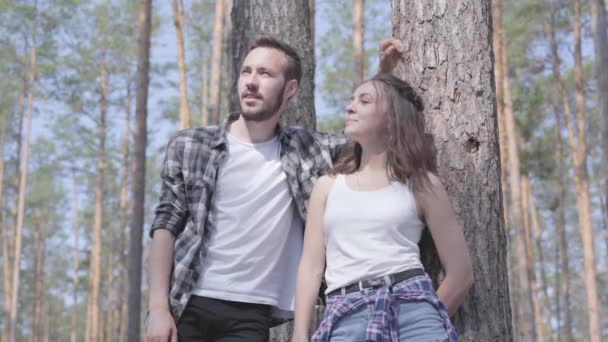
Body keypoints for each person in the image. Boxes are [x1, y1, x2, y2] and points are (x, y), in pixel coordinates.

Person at [145, 36, 402, 342]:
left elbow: (373, 137)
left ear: (290, 89)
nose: (251, 82)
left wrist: (385, 75)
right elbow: (165, 226)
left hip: (252, 316)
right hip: (188, 304)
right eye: (246, 72)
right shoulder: (191, 145)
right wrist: (159, 308)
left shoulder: (309, 150)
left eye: (265, 74)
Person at [291, 73, 474, 342]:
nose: (350, 107)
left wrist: (428, 318)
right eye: (351, 100)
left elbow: (461, 273)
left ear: (393, 118)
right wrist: (299, 335)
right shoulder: (327, 187)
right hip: (345, 314)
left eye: (364, 101)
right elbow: (311, 268)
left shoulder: (422, 184)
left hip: (412, 310)